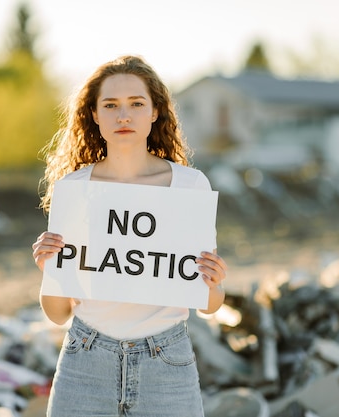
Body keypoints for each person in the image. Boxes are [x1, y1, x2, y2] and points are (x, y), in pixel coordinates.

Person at [31, 55, 228, 417]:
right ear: (94, 114)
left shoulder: (190, 187)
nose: (124, 116)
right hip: (85, 362)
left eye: (136, 104)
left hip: (166, 363)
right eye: (111, 105)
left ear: (155, 112)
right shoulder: (74, 190)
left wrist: (214, 282)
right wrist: (50, 269)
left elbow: (209, 303)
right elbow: (57, 313)